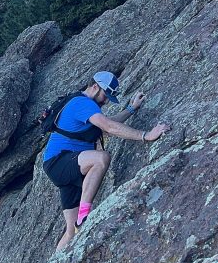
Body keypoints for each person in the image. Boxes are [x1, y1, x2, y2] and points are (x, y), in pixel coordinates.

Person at [42, 71, 170, 251]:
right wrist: (146, 136)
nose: (106, 101)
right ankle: (84, 217)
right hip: (60, 162)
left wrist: (131, 109)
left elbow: (106, 126)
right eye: (105, 95)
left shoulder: (81, 103)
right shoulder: (83, 103)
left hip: (63, 165)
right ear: (95, 86)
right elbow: (109, 126)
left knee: (70, 232)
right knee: (101, 159)